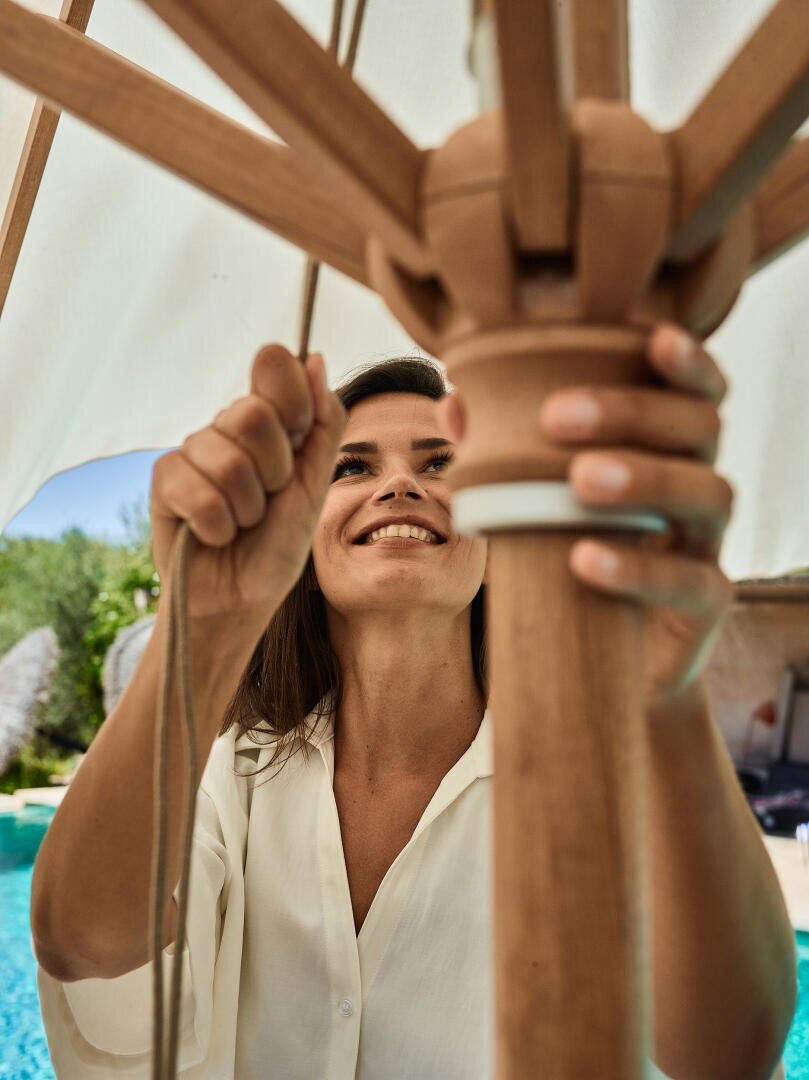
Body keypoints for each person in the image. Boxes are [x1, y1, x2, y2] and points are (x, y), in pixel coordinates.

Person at [31, 329, 795, 1078]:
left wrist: (665, 701)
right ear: (300, 544)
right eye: (352, 467)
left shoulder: (592, 787)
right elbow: (84, 945)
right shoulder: (226, 772)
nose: (400, 485)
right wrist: (195, 631)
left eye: (442, 463)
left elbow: (728, 1052)